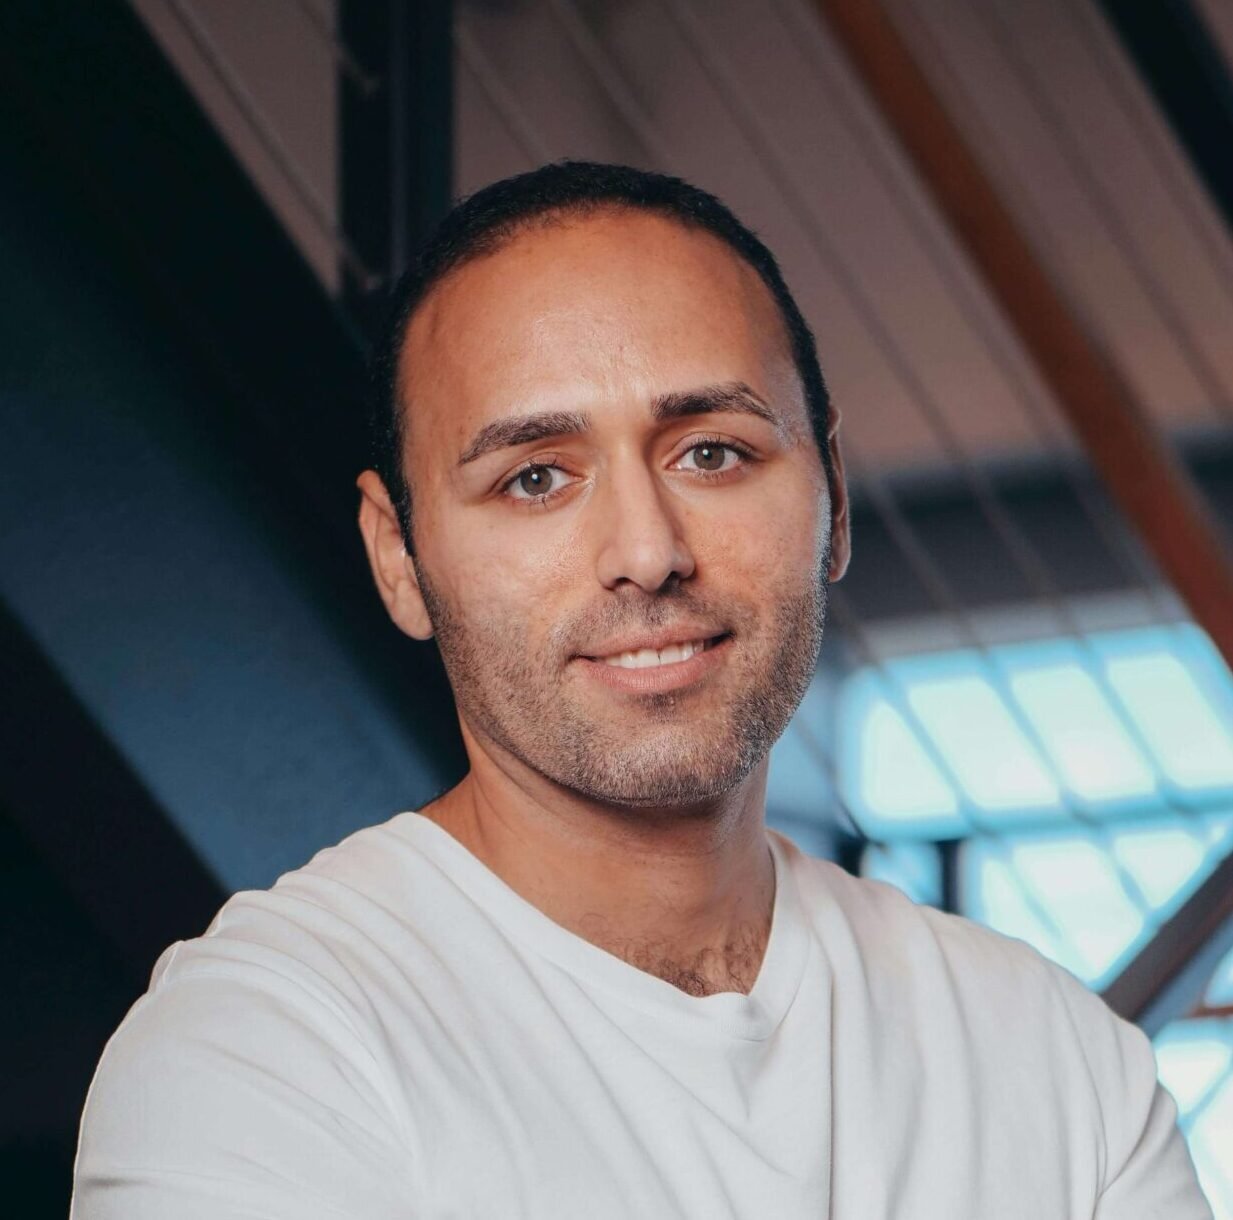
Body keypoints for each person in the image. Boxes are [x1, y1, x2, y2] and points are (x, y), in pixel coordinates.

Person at [70, 161, 1211, 1218]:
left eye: (711, 451)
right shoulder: (266, 1051)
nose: (648, 549)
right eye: (535, 477)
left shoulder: (1057, 1062)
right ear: (397, 555)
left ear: (836, 503)